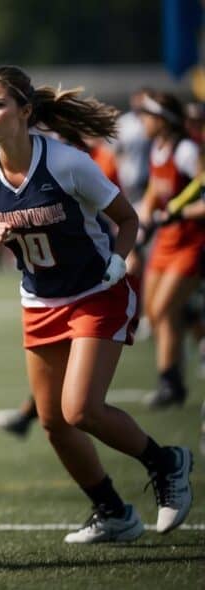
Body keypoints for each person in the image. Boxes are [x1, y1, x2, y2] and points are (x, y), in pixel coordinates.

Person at [0, 65, 193, 544]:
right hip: (39, 301)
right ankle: (113, 511)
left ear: (25, 111)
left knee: (80, 410)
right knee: (52, 423)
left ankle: (168, 463)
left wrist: (118, 262)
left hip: (95, 293)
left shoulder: (67, 163)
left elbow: (127, 221)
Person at [135, 91, 205, 409]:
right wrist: (147, 214)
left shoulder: (187, 151)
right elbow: (154, 187)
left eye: (147, 115)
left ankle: (171, 380)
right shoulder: (157, 148)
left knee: (164, 309)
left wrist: (181, 212)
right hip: (165, 242)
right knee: (153, 310)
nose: (142, 121)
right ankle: (172, 377)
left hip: (191, 243)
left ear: (162, 119)